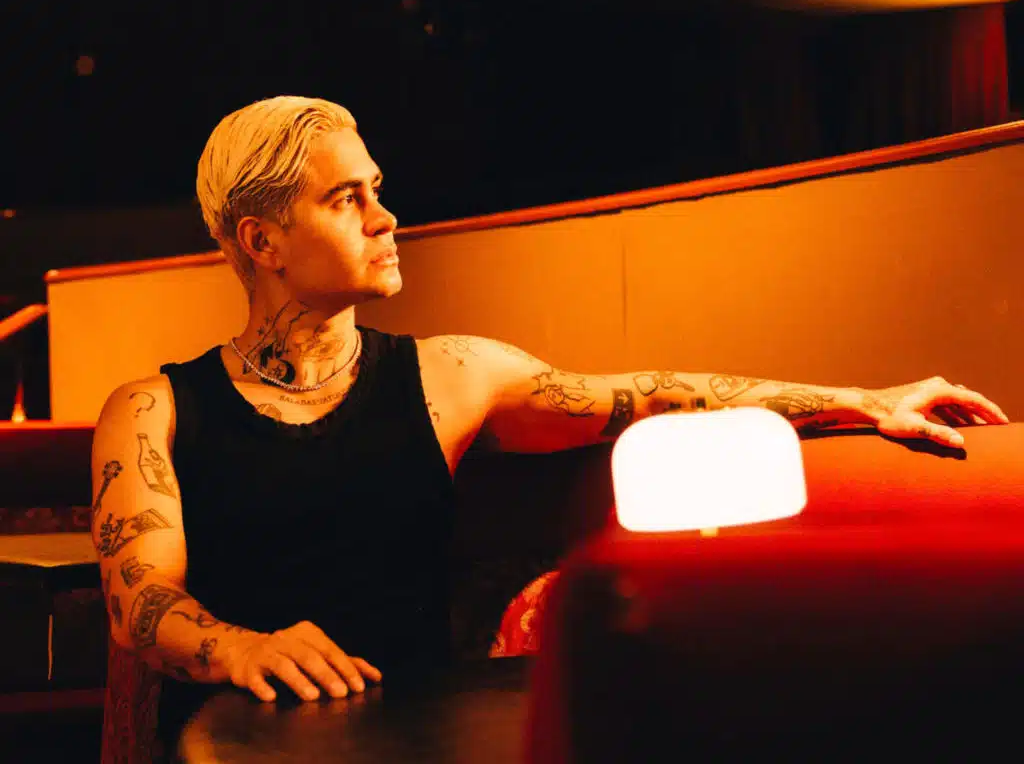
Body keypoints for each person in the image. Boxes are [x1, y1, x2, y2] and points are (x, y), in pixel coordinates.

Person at [90, 95, 1008, 747]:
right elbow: (142, 603)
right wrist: (245, 648)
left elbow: (649, 393)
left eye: (376, 188)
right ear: (262, 241)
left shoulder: (451, 375)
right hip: (234, 742)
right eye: (346, 199)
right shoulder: (152, 409)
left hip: (409, 736)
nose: (386, 217)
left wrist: (861, 401)